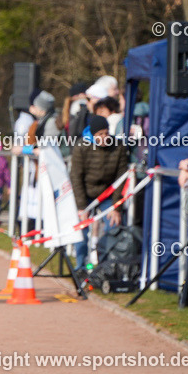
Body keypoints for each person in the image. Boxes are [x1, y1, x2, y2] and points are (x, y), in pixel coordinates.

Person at [70, 115, 128, 269]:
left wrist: (116, 207)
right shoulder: (81, 147)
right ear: (93, 135)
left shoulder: (118, 146)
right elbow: (76, 177)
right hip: (86, 193)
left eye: (106, 132)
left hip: (108, 194)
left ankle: (107, 266)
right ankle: (80, 265)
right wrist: (82, 207)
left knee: (113, 226)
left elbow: (121, 178)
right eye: (100, 134)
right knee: (81, 230)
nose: (104, 137)